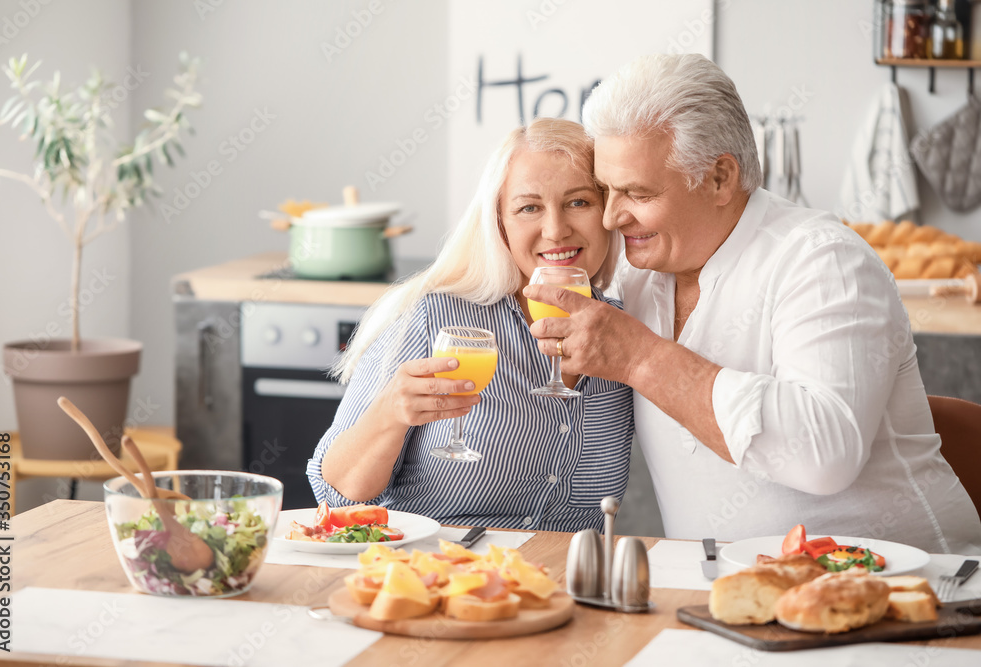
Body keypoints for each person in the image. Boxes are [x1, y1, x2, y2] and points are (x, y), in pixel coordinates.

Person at [525, 54, 981, 554]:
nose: (612, 218)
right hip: (726, 598)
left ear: (720, 178)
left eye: (636, 192)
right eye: (606, 190)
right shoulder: (636, 271)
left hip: (913, 594)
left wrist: (640, 358)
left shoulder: (825, 260)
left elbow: (823, 455)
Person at [307, 118, 633, 533]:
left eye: (579, 202)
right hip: (440, 572)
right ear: (500, 223)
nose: (555, 229)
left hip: (564, 583)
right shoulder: (436, 318)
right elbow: (335, 495)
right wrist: (390, 413)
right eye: (529, 208)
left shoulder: (627, 331)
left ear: (608, 211)